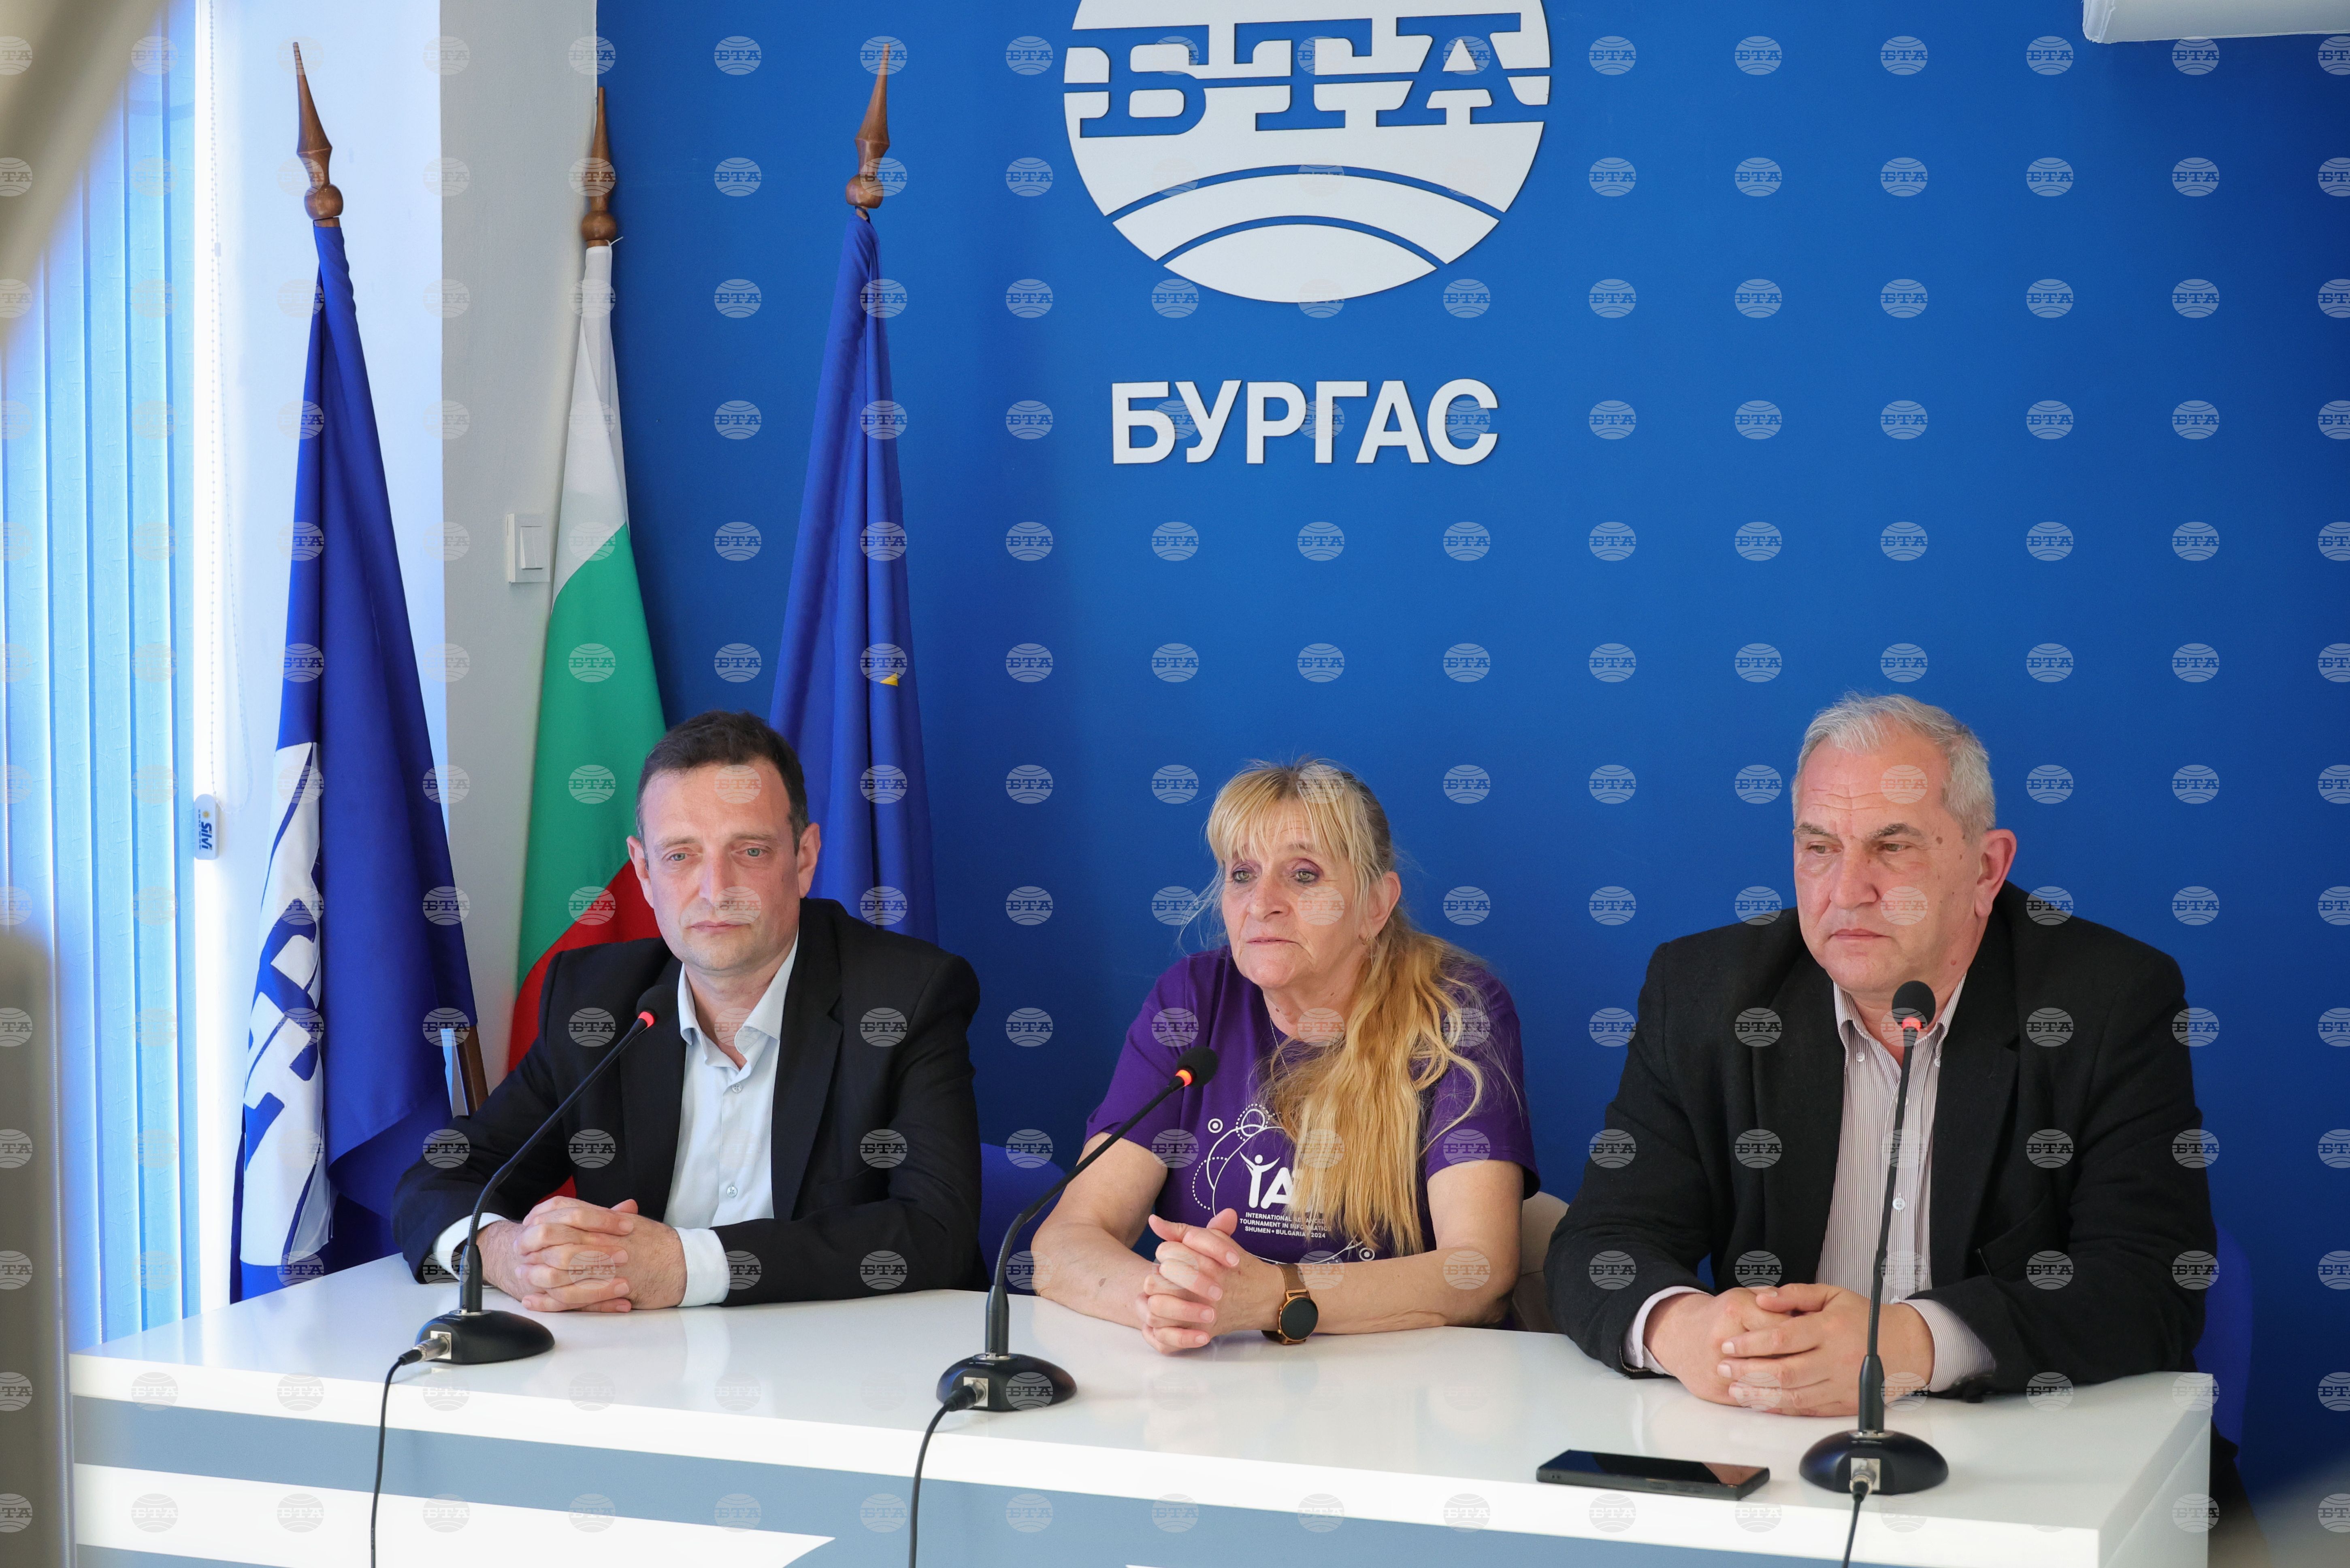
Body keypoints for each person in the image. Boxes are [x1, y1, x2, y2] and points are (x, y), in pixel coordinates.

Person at [1546, 690, 2226, 1416]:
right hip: (1776, 1435)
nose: (1847, 892)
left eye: (1892, 848)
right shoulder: (1705, 994)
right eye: (1819, 848)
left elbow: (2150, 1279)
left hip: (2026, 1435)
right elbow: (1601, 1241)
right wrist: (1687, 1329)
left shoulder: (2108, 1000)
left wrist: (1906, 1343)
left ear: (1987, 868)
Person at [393, 711, 982, 1309]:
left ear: (804, 859)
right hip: (641, 1358)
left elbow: (938, 1231)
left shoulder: (905, 997)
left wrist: (685, 1265)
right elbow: (441, 1176)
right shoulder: (594, 1003)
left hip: (845, 1357)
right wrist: (502, 1254)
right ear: (644, 872)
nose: (715, 890)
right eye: (680, 856)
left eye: (750, 850)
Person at [1033, 760, 1538, 1350]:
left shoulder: (1455, 1010)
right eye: (1242, 874)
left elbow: (1479, 1272)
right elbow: (1063, 1244)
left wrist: (1273, 1295)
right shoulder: (1193, 999)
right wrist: (1168, 1301)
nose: (1262, 902)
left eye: (1303, 874)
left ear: (1376, 905)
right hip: (1222, 1375)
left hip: (1402, 1381)